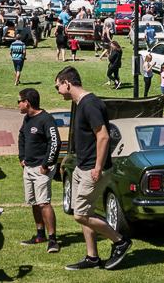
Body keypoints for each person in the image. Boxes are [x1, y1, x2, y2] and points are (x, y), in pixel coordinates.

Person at [54, 67, 133, 270]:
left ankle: (120, 241)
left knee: (81, 214)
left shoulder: (90, 104)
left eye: (58, 86)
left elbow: (103, 137)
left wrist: (97, 167)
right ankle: (92, 257)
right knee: (84, 213)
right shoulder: (80, 103)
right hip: (82, 167)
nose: (58, 91)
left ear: (67, 84)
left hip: (93, 169)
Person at [17, 88, 61, 253]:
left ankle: (53, 240)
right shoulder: (27, 118)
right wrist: (22, 157)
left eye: (19, 101)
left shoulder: (46, 119)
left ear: (27, 103)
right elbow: (22, 136)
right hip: (28, 167)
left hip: (42, 169)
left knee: (44, 203)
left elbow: (55, 142)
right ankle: (40, 234)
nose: (18, 104)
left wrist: (46, 163)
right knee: (34, 202)